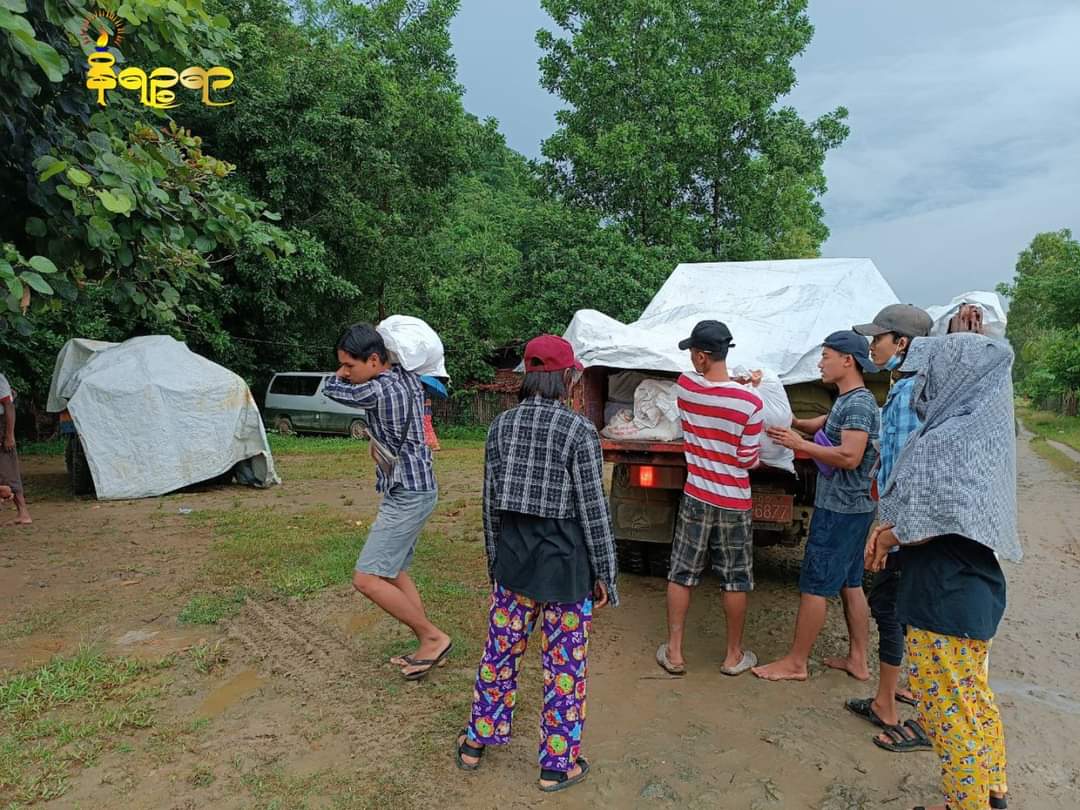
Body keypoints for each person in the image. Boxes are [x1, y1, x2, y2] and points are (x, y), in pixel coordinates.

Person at [455, 334, 617, 794]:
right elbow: (593, 510)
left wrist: (495, 564)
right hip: (566, 566)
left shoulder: (500, 427)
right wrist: (605, 573)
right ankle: (556, 767)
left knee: (500, 653)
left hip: (514, 561)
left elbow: (490, 506)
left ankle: (475, 743)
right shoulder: (579, 430)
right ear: (569, 378)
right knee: (564, 669)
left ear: (527, 375)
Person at [865, 333, 1016, 810]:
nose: (923, 384)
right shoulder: (983, 435)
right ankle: (992, 791)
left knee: (949, 715)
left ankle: (964, 805)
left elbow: (926, 523)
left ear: (952, 376)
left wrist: (885, 536)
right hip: (976, 584)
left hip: (942, 594)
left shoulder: (945, 438)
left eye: (930, 374)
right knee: (973, 700)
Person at [323, 324, 450, 681]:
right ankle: (428, 642)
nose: (345, 372)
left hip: (408, 493)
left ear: (376, 360)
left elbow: (331, 389)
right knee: (392, 571)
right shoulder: (406, 378)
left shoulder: (377, 389)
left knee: (366, 578)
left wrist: (338, 376)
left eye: (349, 365)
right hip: (415, 488)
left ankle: (433, 637)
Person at [753, 331, 879, 682]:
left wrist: (800, 445)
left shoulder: (857, 405)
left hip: (841, 507)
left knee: (815, 583)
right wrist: (785, 416)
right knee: (850, 582)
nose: (820, 363)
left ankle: (796, 663)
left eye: (825, 356)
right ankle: (858, 660)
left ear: (847, 361)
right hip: (855, 506)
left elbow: (850, 457)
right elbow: (817, 424)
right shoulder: (849, 399)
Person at [843, 305, 935, 752]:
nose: (871, 346)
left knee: (892, 606)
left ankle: (891, 705)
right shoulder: (908, 386)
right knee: (896, 606)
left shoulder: (915, 390)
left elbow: (911, 468)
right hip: (903, 523)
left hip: (906, 527)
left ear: (901, 343)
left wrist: (890, 531)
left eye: (877, 338)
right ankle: (893, 694)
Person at [655, 320, 763, 677]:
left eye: (692, 352)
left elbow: (706, 386)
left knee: (681, 572)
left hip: (697, 494)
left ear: (702, 357)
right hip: (734, 500)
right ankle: (733, 656)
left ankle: (674, 652)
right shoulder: (751, 402)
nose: (690, 358)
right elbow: (748, 460)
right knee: (735, 578)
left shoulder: (686, 388)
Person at [0, 371, 32, 526]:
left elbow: (9, 406)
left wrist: (9, 435)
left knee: (9, 469)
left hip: (1, 427)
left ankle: (23, 512)